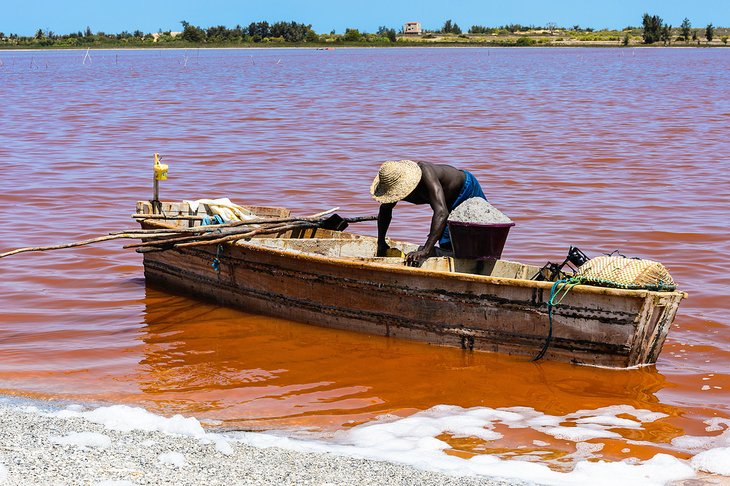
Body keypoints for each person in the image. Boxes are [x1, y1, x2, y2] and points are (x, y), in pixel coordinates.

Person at [370, 159, 488, 267]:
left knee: (475, 239)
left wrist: (425, 251)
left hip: (465, 191)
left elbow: (441, 213)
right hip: (445, 202)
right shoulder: (393, 188)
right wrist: (381, 241)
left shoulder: (426, 174)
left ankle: (477, 267)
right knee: (447, 243)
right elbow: (385, 210)